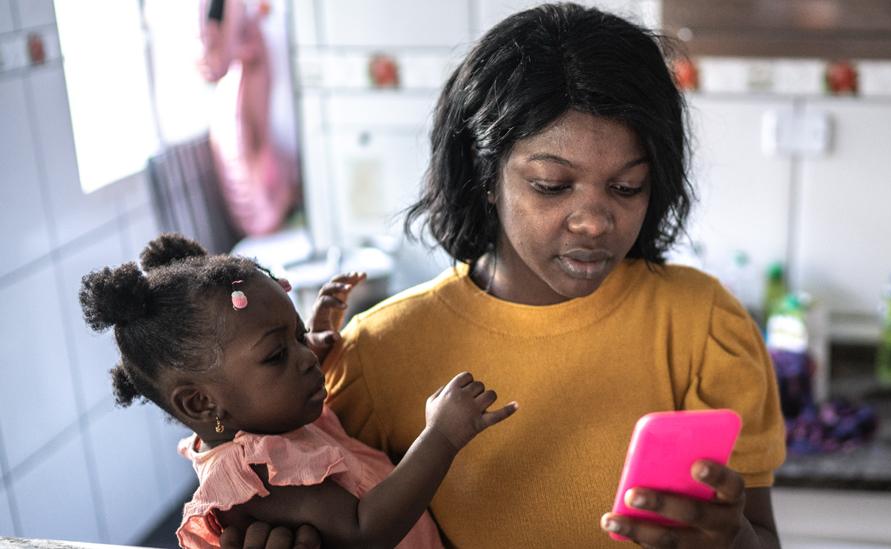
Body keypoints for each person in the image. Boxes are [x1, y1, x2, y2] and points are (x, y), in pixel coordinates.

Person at [228, 3, 786, 548]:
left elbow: (761, 538)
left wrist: (732, 540)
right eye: (551, 185)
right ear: (484, 176)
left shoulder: (703, 326)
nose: (594, 221)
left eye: (626, 187)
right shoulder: (377, 357)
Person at [78, 233, 517, 549]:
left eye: (298, 335)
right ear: (200, 402)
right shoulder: (255, 476)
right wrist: (441, 437)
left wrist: (320, 333)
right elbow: (366, 529)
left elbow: (289, 373)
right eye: (276, 354)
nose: (305, 358)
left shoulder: (267, 416)